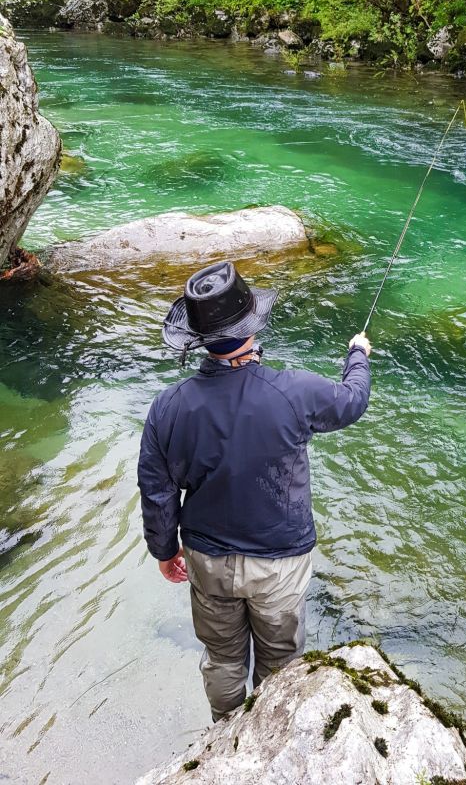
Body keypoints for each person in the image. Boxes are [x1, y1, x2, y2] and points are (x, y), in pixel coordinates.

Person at [137, 260, 371, 721]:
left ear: (200, 341)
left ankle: (224, 734)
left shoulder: (167, 407)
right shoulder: (294, 391)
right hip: (279, 563)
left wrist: (164, 551)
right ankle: (269, 734)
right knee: (280, 663)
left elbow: (157, 490)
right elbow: (352, 400)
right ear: (251, 327)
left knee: (222, 659)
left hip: (207, 561)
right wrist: (357, 354)